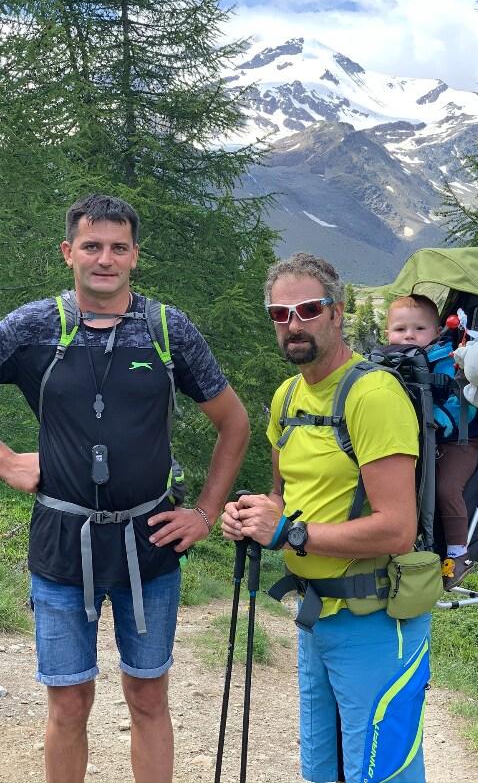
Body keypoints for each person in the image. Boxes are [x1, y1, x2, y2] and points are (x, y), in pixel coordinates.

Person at [0, 193, 250, 783]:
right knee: (68, 703)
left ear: (135, 255)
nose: (105, 259)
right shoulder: (34, 327)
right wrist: (6, 461)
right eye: (92, 246)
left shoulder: (166, 329)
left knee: (147, 695)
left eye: (118, 247)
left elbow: (234, 423)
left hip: (150, 539)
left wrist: (205, 514)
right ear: (68, 252)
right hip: (62, 540)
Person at [222, 253, 431, 783]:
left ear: (337, 313)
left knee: (382, 775)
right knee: (323, 771)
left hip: (376, 619)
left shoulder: (373, 396)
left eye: (308, 309)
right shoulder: (287, 396)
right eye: (279, 313)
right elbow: (282, 496)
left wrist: (289, 533)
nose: (293, 324)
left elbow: (398, 528)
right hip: (316, 618)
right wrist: (252, 517)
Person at [386, 294, 478, 589]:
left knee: (445, 488)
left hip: (458, 439)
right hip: (419, 439)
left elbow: (464, 400)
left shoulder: (448, 359)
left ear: (438, 332)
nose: (409, 335)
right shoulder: (390, 363)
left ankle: (458, 553)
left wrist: (437, 419)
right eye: (400, 329)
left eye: (419, 329)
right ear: (388, 333)